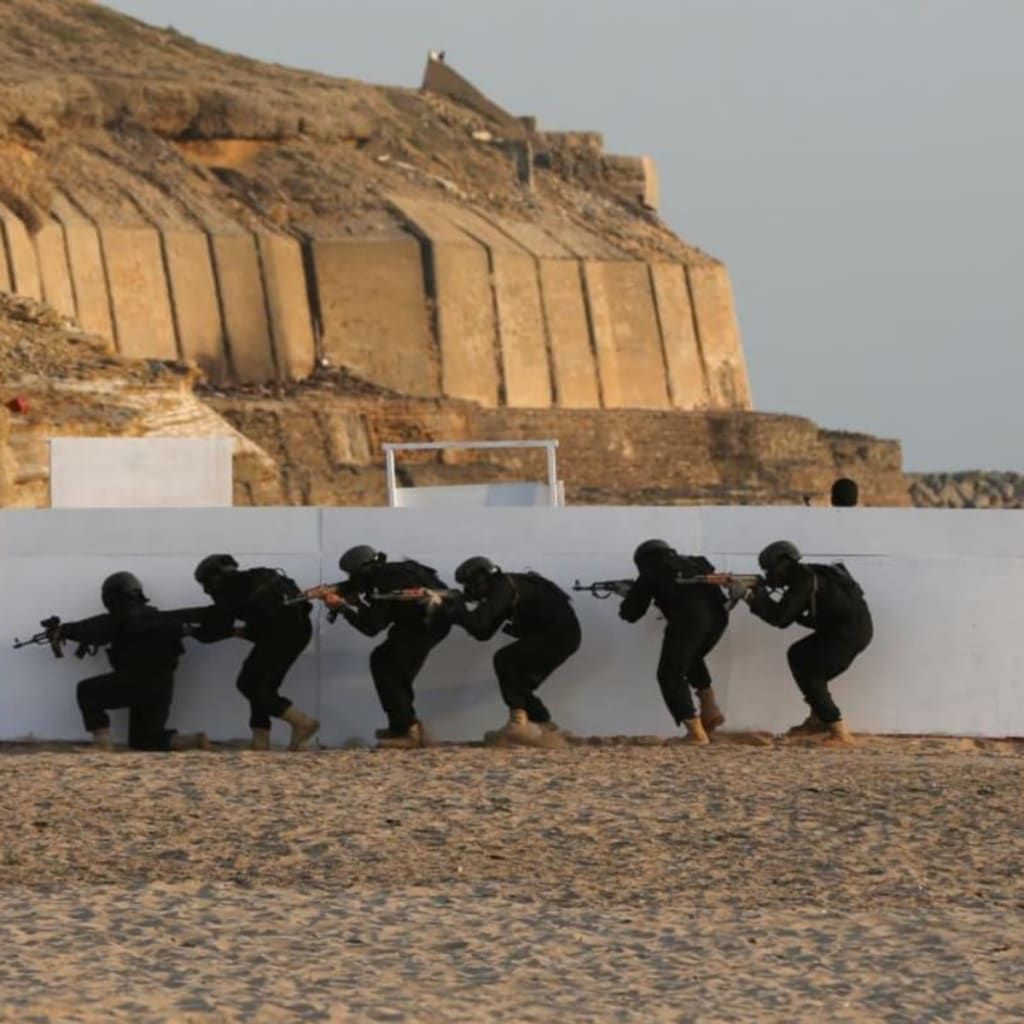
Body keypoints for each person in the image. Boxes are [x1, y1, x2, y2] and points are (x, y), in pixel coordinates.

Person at [60, 571, 208, 752]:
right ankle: (192, 741)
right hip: (163, 688)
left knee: (87, 691)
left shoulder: (123, 617)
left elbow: (92, 629)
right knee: (145, 739)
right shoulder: (161, 618)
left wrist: (64, 631)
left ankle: (101, 744)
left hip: (136, 682)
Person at [743, 540, 873, 746]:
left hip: (847, 634)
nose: (770, 575)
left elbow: (780, 619)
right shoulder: (808, 574)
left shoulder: (803, 581)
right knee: (800, 655)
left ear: (785, 561)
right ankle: (818, 718)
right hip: (850, 629)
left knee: (810, 670)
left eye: (771, 569)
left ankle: (838, 731)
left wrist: (750, 597)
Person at [321, 545, 451, 749]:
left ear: (362, 569)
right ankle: (405, 726)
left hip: (420, 626)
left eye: (352, 574)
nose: (352, 579)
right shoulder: (394, 573)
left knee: (385, 665)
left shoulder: (383, 581)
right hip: (433, 624)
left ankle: (407, 729)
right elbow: (379, 619)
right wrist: (358, 604)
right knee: (396, 669)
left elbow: (372, 627)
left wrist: (343, 608)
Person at [446, 556, 581, 747]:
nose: (469, 590)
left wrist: (455, 607)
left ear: (481, 578)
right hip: (564, 635)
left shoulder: (503, 587)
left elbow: (479, 623)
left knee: (505, 660)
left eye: (470, 584)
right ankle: (543, 725)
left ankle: (519, 723)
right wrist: (454, 610)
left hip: (558, 635)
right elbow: (482, 632)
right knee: (516, 678)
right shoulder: (508, 586)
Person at [190, 554, 318, 751]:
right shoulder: (257, 578)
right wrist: (243, 632)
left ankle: (301, 722)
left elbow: (215, 629)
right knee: (263, 687)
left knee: (248, 684)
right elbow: (268, 617)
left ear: (213, 579)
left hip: (280, 634)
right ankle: (261, 740)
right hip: (299, 630)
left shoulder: (229, 589)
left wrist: (192, 630)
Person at [618, 539, 729, 745]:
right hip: (719, 618)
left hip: (688, 621)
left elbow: (631, 613)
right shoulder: (694, 563)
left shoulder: (651, 570)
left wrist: (628, 595)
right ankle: (710, 708)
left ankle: (695, 732)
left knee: (670, 674)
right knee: (691, 657)